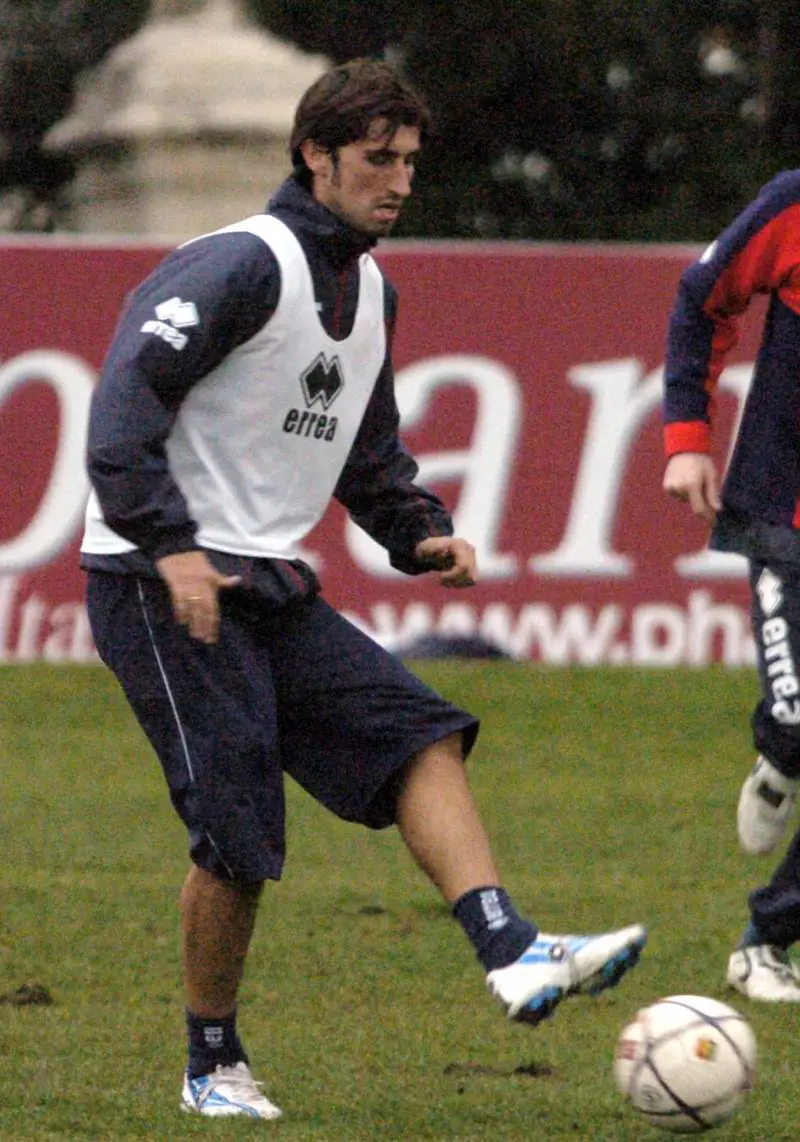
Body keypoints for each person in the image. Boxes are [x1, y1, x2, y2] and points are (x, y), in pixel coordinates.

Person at [81, 57, 646, 1119]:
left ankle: (512, 949)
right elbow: (122, 407)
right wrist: (169, 544)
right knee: (238, 839)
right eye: (378, 159)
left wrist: (420, 532)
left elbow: (368, 454)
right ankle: (211, 1065)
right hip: (159, 582)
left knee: (419, 734)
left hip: (265, 581)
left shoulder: (373, 291)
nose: (399, 181)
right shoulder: (238, 263)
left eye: (410, 162)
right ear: (315, 155)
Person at [663, 168, 800, 1004]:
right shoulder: (793, 205)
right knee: (797, 716)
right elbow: (702, 297)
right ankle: (780, 758)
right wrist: (687, 436)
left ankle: (766, 941)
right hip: (786, 519)